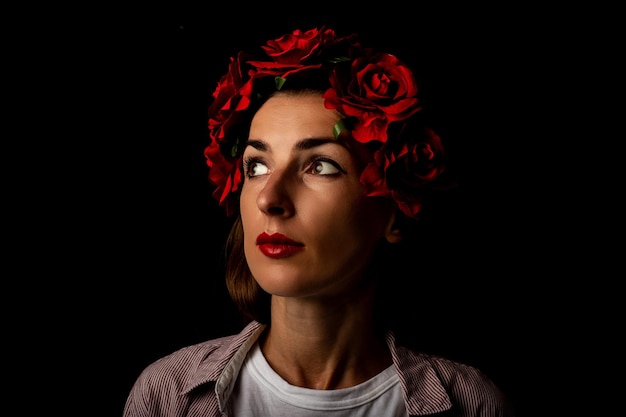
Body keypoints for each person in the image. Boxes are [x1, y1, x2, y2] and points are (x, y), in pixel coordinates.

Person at [123, 26, 515, 417]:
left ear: (393, 214)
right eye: (257, 165)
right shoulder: (167, 395)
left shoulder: (473, 405)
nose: (269, 198)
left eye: (321, 166)